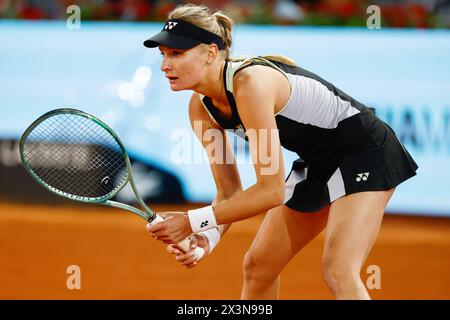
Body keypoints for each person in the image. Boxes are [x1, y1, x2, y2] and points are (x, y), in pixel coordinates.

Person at [144, 4, 418, 300]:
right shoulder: (200, 108)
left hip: (365, 151)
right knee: (259, 266)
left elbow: (271, 190)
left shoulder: (250, 85)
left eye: (176, 53)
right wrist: (206, 236)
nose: (165, 65)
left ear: (211, 53)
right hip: (317, 162)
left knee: (339, 270)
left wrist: (189, 221)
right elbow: (229, 192)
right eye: (163, 55)